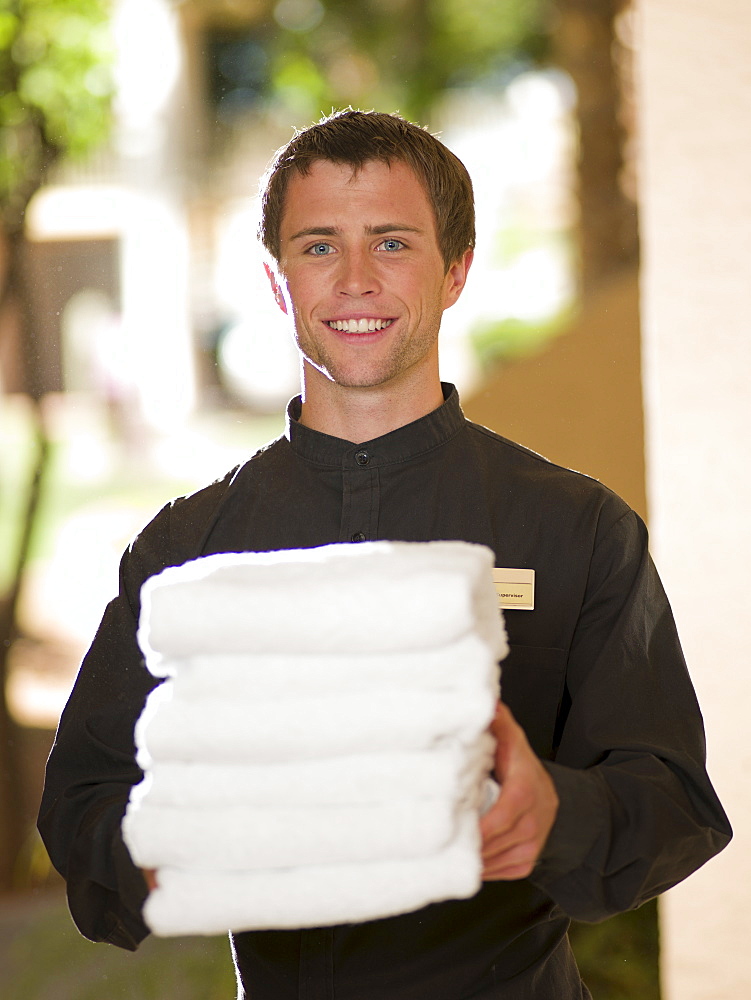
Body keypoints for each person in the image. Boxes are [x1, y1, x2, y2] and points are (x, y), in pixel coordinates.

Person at [39, 109, 731, 999]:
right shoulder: (187, 551)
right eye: (319, 246)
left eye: (392, 243)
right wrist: (178, 850)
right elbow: (83, 803)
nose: (355, 280)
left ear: (455, 271)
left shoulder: (577, 530)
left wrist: (552, 816)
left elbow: (672, 799)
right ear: (277, 280)